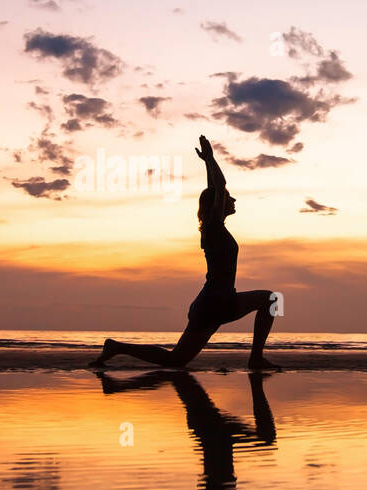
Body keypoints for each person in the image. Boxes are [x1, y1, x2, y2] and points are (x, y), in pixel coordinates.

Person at [89, 135, 281, 370]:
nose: (232, 199)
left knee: (176, 359)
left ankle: (117, 347)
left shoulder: (215, 228)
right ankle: (256, 358)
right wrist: (210, 159)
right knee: (272, 299)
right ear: (217, 205)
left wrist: (207, 164)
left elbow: (215, 189)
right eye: (227, 198)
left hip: (215, 302)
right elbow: (218, 188)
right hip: (216, 303)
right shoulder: (213, 228)